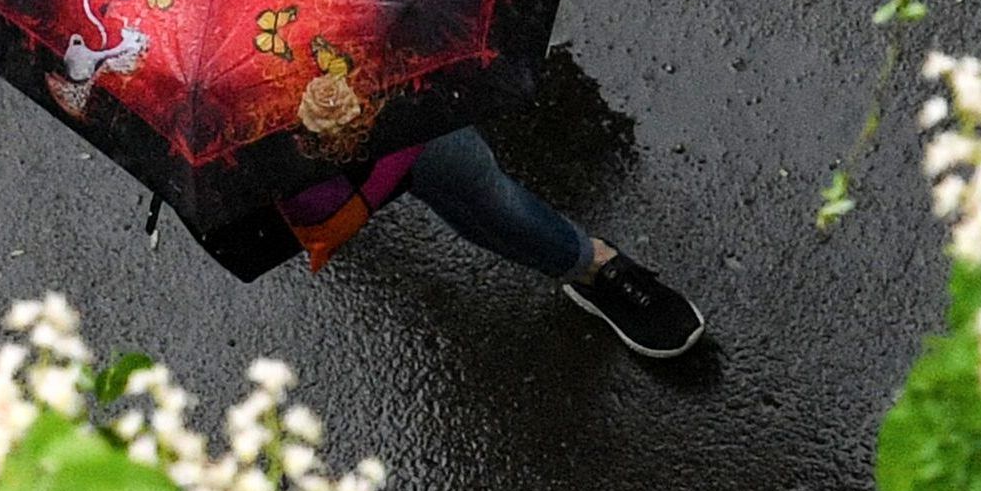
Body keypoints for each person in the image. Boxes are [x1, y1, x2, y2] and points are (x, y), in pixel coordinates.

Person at [197, 126, 705, 359]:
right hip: (293, 165)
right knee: (465, 182)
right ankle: (588, 266)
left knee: (477, 187)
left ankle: (589, 265)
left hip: (402, 108)